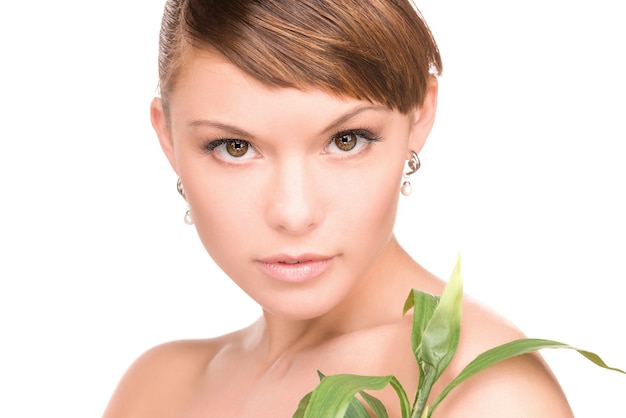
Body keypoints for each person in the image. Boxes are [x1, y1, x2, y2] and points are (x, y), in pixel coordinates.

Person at [102, 0, 574, 416]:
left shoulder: (483, 392)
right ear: (168, 138)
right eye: (234, 147)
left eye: (346, 141)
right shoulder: (156, 390)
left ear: (418, 115)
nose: (294, 212)